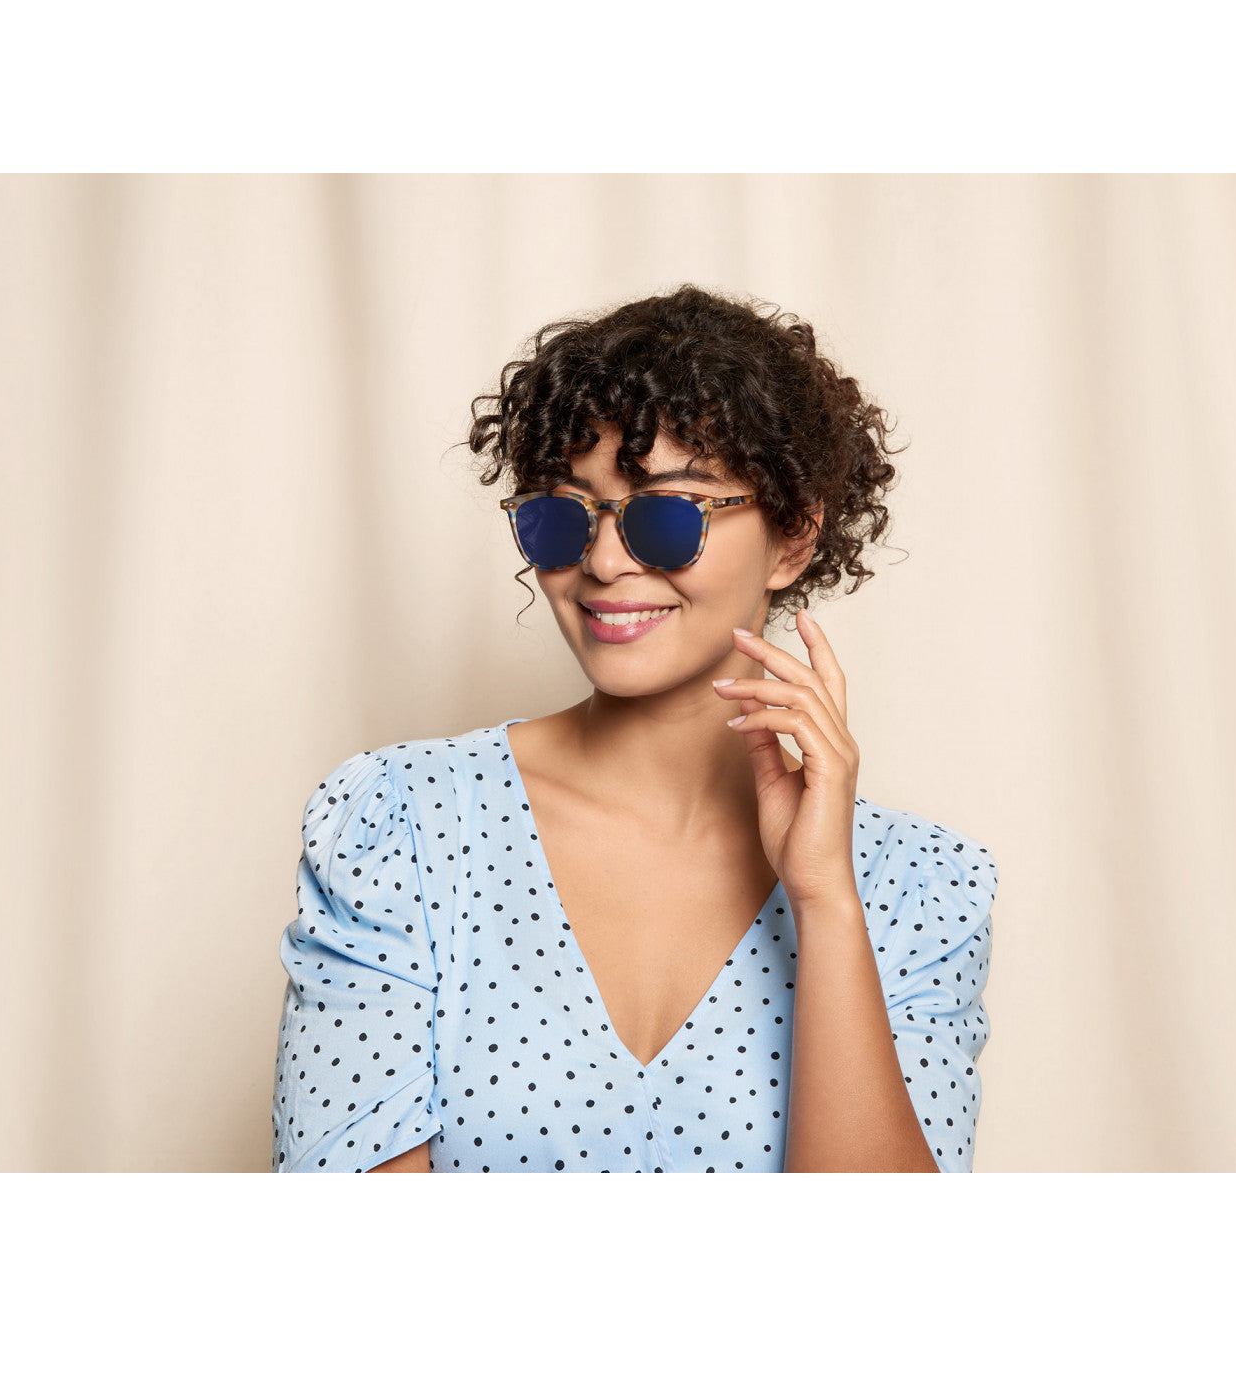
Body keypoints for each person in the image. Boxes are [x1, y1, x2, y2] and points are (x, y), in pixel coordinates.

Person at [270, 284, 996, 1173]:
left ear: (793, 539)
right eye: (561, 517)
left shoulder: (917, 889)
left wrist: (824, 904)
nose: (605, 562)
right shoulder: (403, 824)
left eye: (665, 515)